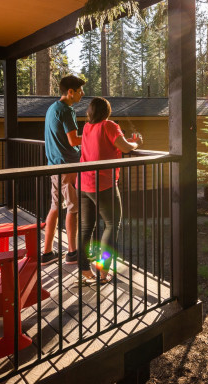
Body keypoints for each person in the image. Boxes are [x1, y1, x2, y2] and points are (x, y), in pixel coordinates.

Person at [78, 97, 142, 284]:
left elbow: (108, 144)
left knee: (85, 227)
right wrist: (136, 143)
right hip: (103, 184)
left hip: (83, 182)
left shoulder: (88, 128)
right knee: (112, 224)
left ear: (91, 112)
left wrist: (126, 140)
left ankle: (84, 268)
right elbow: (126, 148)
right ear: (107, 111)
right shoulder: (109, 125)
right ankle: (103, 271)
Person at [42, 75, 85, 266]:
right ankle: (72, 252)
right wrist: (91, 136)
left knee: (55, 206)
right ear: (71, 92)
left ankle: (47, 252)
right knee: (73, 208)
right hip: (67, 164)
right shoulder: (67, 110)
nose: (82, 94)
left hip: (54, 164)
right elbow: (73, 140)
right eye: (80, 91)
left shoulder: (52, 108)